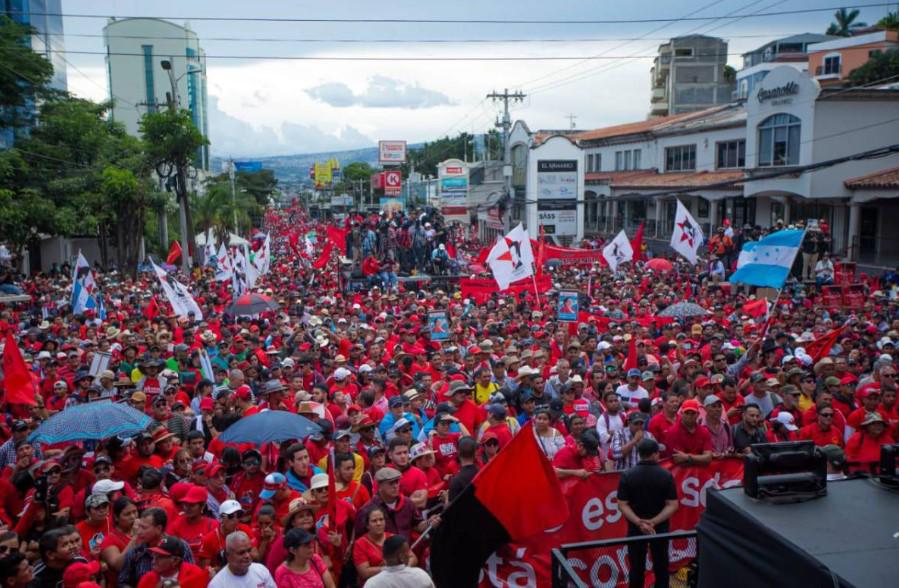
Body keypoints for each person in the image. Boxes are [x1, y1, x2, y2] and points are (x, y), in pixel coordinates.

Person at [617, 439, 679, 588]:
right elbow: (673, 504)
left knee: (636, 567)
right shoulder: (666, 475)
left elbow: (622, 504)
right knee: (661, 565)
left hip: (636, 528)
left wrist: (639, 522)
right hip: (660, 527)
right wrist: (653, 522)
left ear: (639, 454)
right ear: (655, 454)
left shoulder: (627, 475)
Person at [209, 531, 276, 588]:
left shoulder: (261, 570)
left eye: (249, 550)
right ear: (228, 555)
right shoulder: (217, 585)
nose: (247, 556)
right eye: (241, 553)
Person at [136, 536, 209, 588]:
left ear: (175, 560)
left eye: (160, 557)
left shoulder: (195, 575)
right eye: (154, 555)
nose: (154, 560)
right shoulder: (147, 580)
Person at [364, 535, 434, 588]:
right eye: (407, 552)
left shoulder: (372, 583)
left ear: (384, 557)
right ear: (401, 557)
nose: (409, 555)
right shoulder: (420, 575)